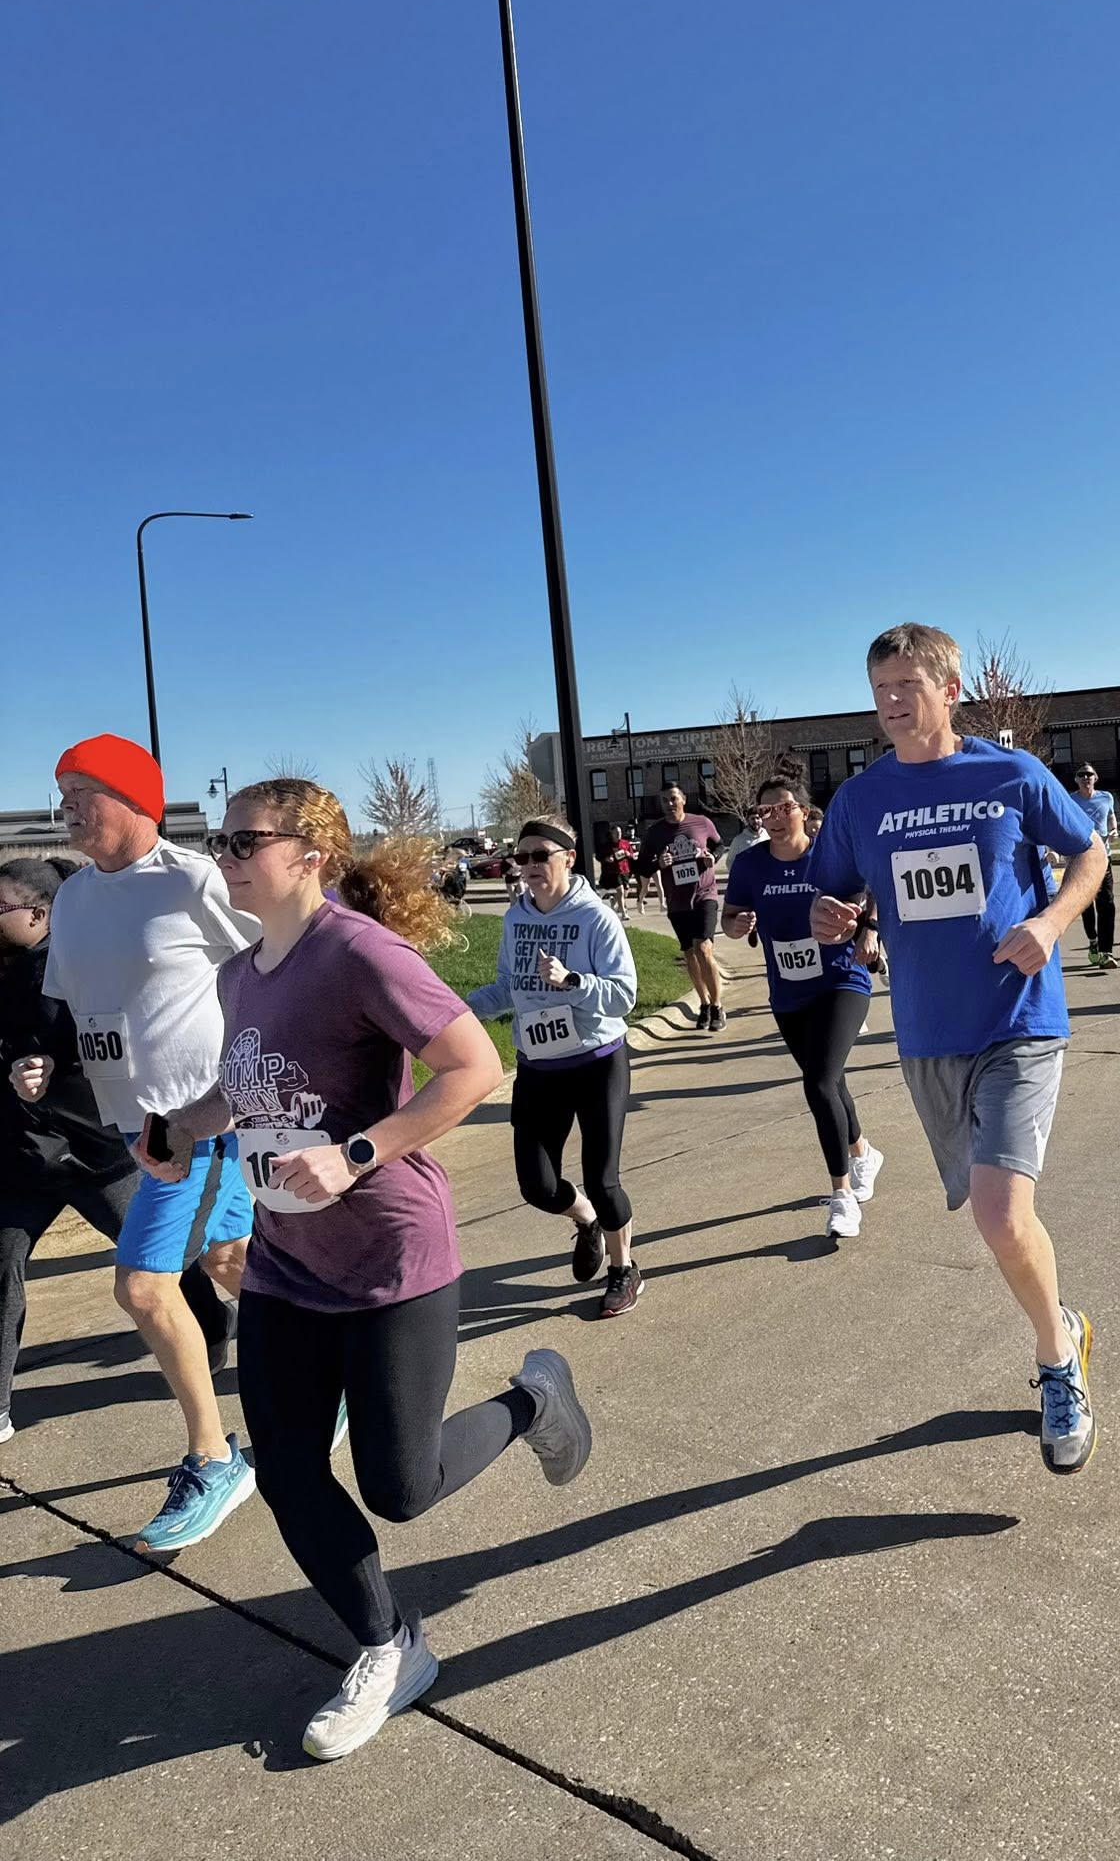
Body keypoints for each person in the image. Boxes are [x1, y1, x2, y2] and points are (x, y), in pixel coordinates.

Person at [141, 777, 592, 1760]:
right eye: (219, 839)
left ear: (309, 854)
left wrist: (355, 1154)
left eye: (242, 839)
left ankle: (532, 1401)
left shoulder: (357, 951)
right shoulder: (242, 972)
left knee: (399, 1483)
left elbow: (475, 1065)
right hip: (286, 1265)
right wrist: (185, 1126)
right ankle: (389, 1645)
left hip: (393, 1257)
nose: (223, 854)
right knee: (291, 1470)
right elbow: (247, 1086)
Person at [809, 623, 1105, 1476]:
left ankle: (1058, 1367)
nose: (893, 703)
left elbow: (1089, 853)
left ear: (949, 688)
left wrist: (1050, 922)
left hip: (1019, 1019)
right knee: (997, 1219)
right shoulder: (862, 801)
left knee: (999, 1213)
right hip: (928, 1037)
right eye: (880, 691)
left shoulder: (1008, 774)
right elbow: (833, 899)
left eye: (908, 685)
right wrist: (832, 920)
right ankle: (1068, 1325)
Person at [16, 736, 258, 1551]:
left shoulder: (192, 880)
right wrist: (44, 1060)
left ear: (134, 799)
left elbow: (268, 963)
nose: (68, 806)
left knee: (145, 1289)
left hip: (192, 1121)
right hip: (132, 1124)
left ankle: (213, 1458)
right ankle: (323, 1365)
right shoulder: (77, 898)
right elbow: (80, 1011)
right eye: (62, 792)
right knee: (229, 1260)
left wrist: (246, 1077)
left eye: (83, 790)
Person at [468, 815, 643, 1318]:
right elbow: (507, 987)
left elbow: (624, 996)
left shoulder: (596, 919)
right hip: (539, 1068)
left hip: (597, 1062)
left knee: (603, 1179)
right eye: (521, 858)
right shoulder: (516, 918)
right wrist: (458, 1007)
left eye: (540, 856)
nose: (529, 867)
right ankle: (585, 1220)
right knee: (537, 1186)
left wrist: (573, 982)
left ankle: (623, 1269)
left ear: (568, 858)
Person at [0, 859, 142, 1444]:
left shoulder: (82, 968)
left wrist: (57, 1070)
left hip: (95, 1155)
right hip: (21, 1161)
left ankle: (211, 1326)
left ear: (38, 913)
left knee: (170, 1263)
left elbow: (123, 1054)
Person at [722, 768, 881, 1241]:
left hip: (841, 980)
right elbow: (731, 918)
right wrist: (737, 925)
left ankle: (841, 1196)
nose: (773, 817)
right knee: (829, 1080)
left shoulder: (831, 855)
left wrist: (868, 930)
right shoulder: (750, 865)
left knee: (818, 1082)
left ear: (806, 813)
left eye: (784, 806)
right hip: (788, 991)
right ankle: (863, 1152)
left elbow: (873, 891)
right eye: (764, 810)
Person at [637, 786, 727, 1032]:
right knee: (690, 954)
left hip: (704, 894)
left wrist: (712, 858)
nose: (669, 803)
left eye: (673, 798)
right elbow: (642, 867)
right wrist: (658, 863)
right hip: (677, 902)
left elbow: (719, 846)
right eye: (664, 800)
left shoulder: (701, 822)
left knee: (704, 948)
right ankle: (704, 1003)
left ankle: (718, 1005)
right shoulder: (654, 833)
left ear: (683, 800)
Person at [1070, 764, 1119, 968]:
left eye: (1089, 774)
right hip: (1081, 859)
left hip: (1103, 858)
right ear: (1076, 780)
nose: (1085, 778)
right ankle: (1093, 940)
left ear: (1096, 778)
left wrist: (1114, 829)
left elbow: (1110, 816)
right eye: (1081, 775)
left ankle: (1106, 952)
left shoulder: (1106, 797)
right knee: (1086, 905)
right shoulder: (1070, 800)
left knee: (1107, 903)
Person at [722, 806, 768, 874]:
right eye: (752, 818)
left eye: (758, 818)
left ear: (762, 819)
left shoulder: (769, 836)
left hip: (767, 879)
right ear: (748, 820)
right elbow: (730, 861)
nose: (755, 821)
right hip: (748, 880)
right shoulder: (738, 840)